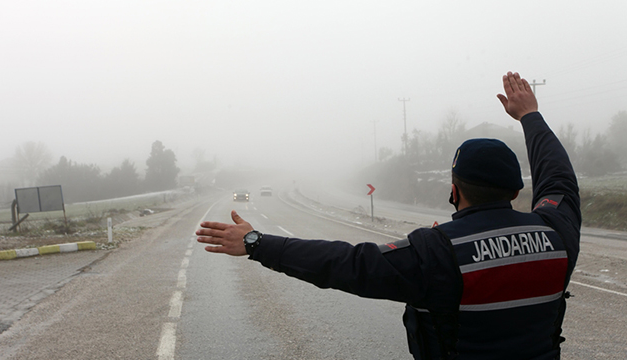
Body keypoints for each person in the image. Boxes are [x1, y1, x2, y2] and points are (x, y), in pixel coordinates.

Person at [196, 72, 581, 360]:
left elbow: (344, 264)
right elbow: (558, 179)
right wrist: (530, 115)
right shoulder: (556, 235)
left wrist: (256, 243)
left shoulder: (437, 252)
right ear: (516, 192)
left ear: (454, 188)